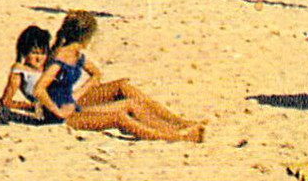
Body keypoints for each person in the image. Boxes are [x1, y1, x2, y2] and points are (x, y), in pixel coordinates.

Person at [31, 11, 204, 141]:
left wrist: (78, 94)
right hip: (60, 117)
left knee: (122, 86)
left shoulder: (75, 54)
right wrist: (58, 111)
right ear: (86, 37)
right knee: (121, 114)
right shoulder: (60, 58)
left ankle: (179, 123)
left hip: (70, 102)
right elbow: (39, 90)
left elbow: (96, 74)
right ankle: (174, 136)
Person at [0, 25, 52, 123]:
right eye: (34, 53)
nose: (39, 58)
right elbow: (6, 101)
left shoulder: (49, 69)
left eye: (43, 54)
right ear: (24, 52)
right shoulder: (20, 70)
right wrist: (30, 106)